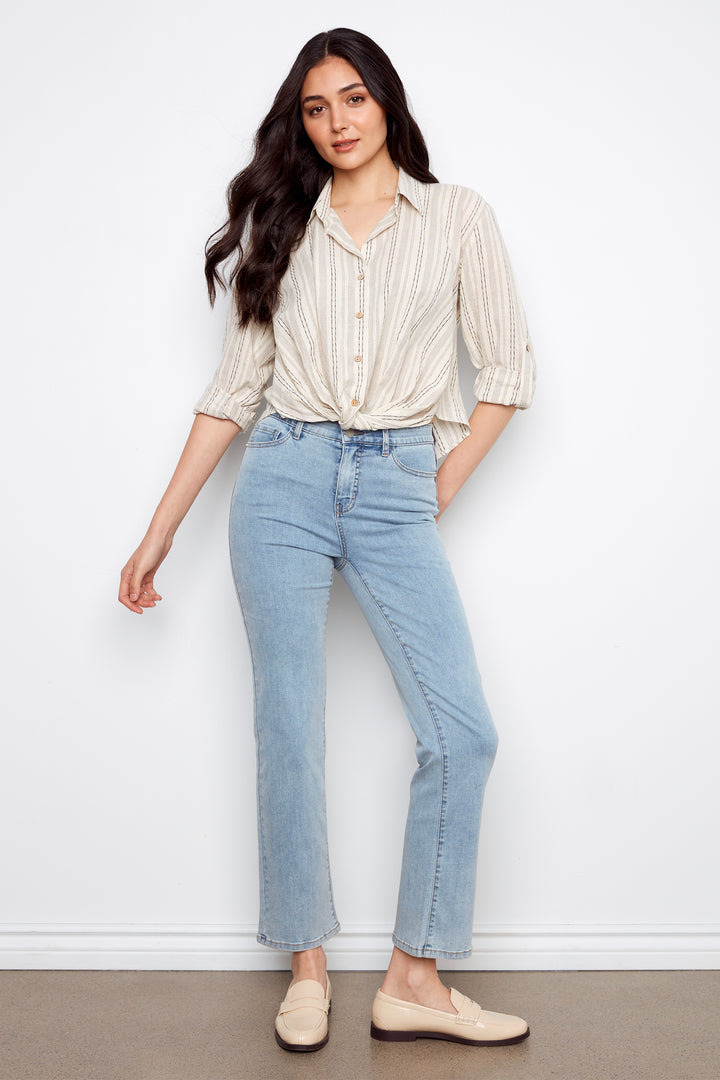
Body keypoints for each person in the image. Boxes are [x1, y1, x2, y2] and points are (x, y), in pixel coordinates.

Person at [119, 27, 536, 1053]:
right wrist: (158, 532)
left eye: (353, 98)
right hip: (285, 479)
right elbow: (234, 391)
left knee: (463, 731)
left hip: (396, 477)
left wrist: (427, 490)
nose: (338, 122)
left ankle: (415, 977)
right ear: (300, 122)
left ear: (386, 101)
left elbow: (510, 376)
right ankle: (306, 967)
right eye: (316, 107)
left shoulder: (457, 219)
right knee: (290, 729)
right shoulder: (282, 221)